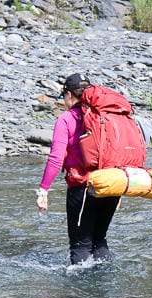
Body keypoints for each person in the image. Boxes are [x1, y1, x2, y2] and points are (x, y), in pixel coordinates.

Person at [36, 73, 121, 266]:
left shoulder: (66, 119)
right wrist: (119, 187)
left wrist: (43, 190)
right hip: (111, 184)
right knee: (100, 239)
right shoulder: (105, 117)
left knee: (80, 245)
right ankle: (104, 283)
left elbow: (56, 158)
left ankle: (79, 285)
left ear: (68, 94)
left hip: (83, 188)